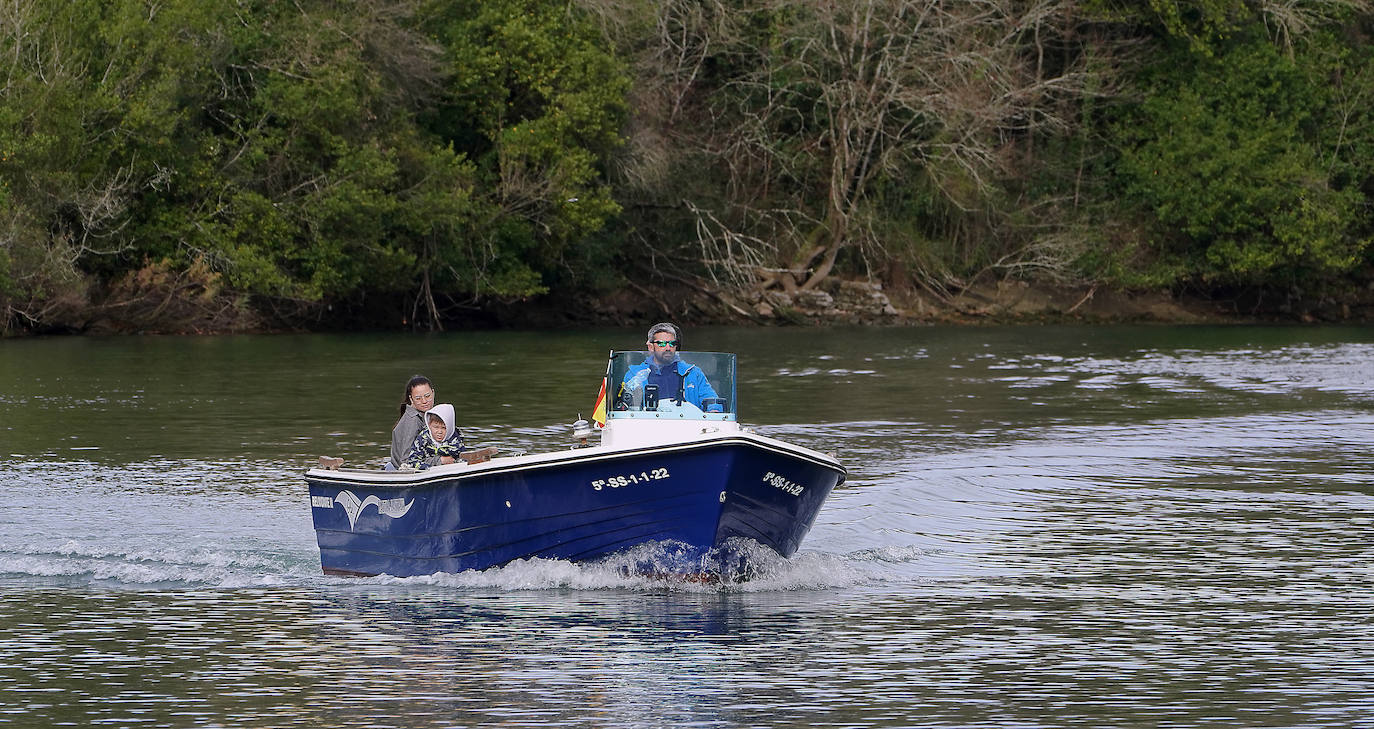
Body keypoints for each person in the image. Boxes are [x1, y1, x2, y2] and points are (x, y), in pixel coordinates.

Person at [620, 322, 723, 412]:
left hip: (688, 426)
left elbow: (711, 399)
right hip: (649, 427)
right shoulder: (635, 375)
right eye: (662, 344)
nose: (668, 348)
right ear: (651, 347)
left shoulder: (693, 373)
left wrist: (714, 410)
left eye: (672, 344)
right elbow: (626, 406)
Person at [389, 374, 451, 470]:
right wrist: (440, 460)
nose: (424, 401)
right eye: (418, 398)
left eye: (427, 396)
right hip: (402, 472)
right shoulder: (413, 420)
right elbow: (406, 461)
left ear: (433, 393)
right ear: (411, 399)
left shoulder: (427, 415)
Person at [402, 403, 465, 470]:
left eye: (444, 428)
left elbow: (463, 459)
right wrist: (438, 461)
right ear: (429, 425)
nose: (439, 431)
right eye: (436, 427)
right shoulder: (423, 439)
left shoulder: (456, 440)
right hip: (429, 472)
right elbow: (413, 460)